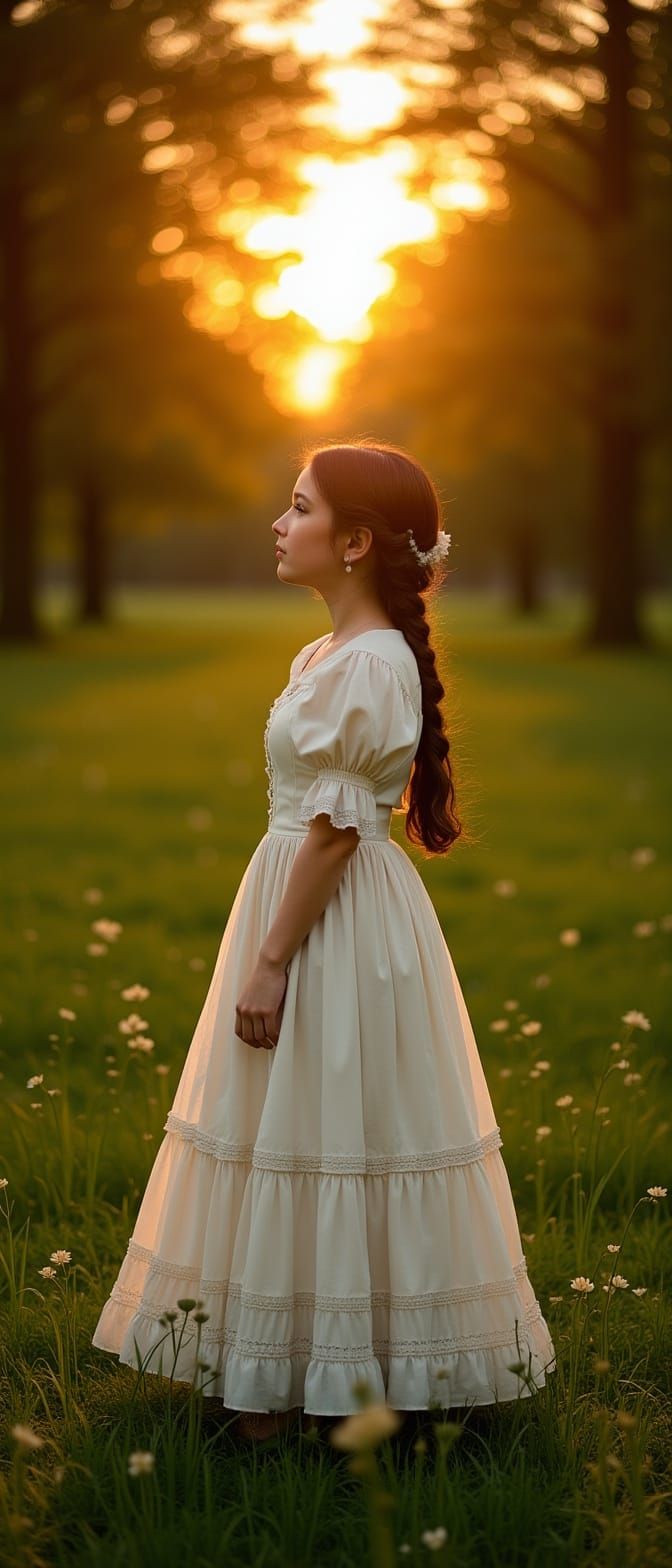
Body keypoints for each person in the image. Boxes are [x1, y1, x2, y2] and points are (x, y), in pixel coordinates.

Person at [92, 438, 555, 1442]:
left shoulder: (375, 663)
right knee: (289, 1124)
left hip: (331, 917)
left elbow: (340, 827)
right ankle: (275, 1365)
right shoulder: (327, 654)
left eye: (297, 507)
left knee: (340, 1123)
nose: (277, 522)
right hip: (299, 895)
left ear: (352, 540)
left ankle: (343, 1380)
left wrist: (271, 957)